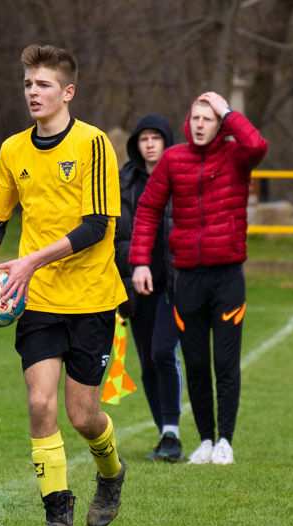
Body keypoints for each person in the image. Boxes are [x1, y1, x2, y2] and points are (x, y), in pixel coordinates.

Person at [0, 44, 128, 526]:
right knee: (39, 404)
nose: (33, 92)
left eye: (44, 85)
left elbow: (98, 226)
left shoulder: (93, 144)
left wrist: (30, 259)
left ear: (67, 92)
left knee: (83, 416)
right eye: (29, 84)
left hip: (93, 297)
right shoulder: (13, 149)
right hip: (36, 300)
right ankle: (58, 521)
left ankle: (111, 472)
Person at [130, 92, 268, 465]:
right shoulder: (174, 159)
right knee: (194, 363)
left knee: (224, 362)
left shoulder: (236, 156)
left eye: (209, 118)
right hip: (186, 278)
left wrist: (228, 110)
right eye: (196, 118)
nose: (201, 124)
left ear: (220, 122)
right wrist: (140, 261)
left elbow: (257, 144)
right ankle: (205, 440)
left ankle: (225, 441)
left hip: (227, 278)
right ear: (188, 123)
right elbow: (147, 210)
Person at [114, 114, 185, 462]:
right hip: (135, 287)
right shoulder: (122, 181)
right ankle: (165, 437)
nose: (150, 143)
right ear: (136, 144)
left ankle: (172, 431)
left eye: (157, 137)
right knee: (147, 365)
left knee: (163, 352)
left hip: (173, 283)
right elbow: (114, 234)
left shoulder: (179, 175)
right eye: (144, 138)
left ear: (167, 141)